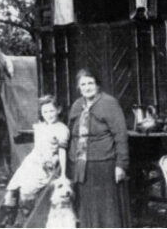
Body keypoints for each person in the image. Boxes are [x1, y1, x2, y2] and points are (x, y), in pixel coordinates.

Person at [68, 68, 129, 228]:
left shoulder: (109, 103)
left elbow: (120, 135)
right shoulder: (77, 105)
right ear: (78, 87)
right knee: (86, 207)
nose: (87, 87)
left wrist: (121, 165)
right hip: (81, 165)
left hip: (103, 164)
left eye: (90, 83)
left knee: (106, 208)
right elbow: (69, 134)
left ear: (97, 85)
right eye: (83, 84)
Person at [3, 95, 69, 208]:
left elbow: (62, 151)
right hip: (32, 161)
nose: (49, 114)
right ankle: (13, 209)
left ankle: (28, 212)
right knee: (15, 185)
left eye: (51, 111)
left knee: (27, 190)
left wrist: (63, 173)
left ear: (58, 110)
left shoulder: (61, 129)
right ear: (41, 113)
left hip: (46, 164)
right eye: (45, 112)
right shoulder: (41, 127)